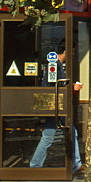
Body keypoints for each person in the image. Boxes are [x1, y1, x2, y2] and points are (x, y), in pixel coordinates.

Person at [30, 41, 82, 173]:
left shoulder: (57, 65)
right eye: (73, 51)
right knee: (53, 135)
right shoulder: (54, 65)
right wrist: (72, 87)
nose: (74, 54)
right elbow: (54, 86)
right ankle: (36, 165)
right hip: (54, 106)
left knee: (52, 135)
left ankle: (36, 165)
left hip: (55, 106)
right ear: (67, 51)